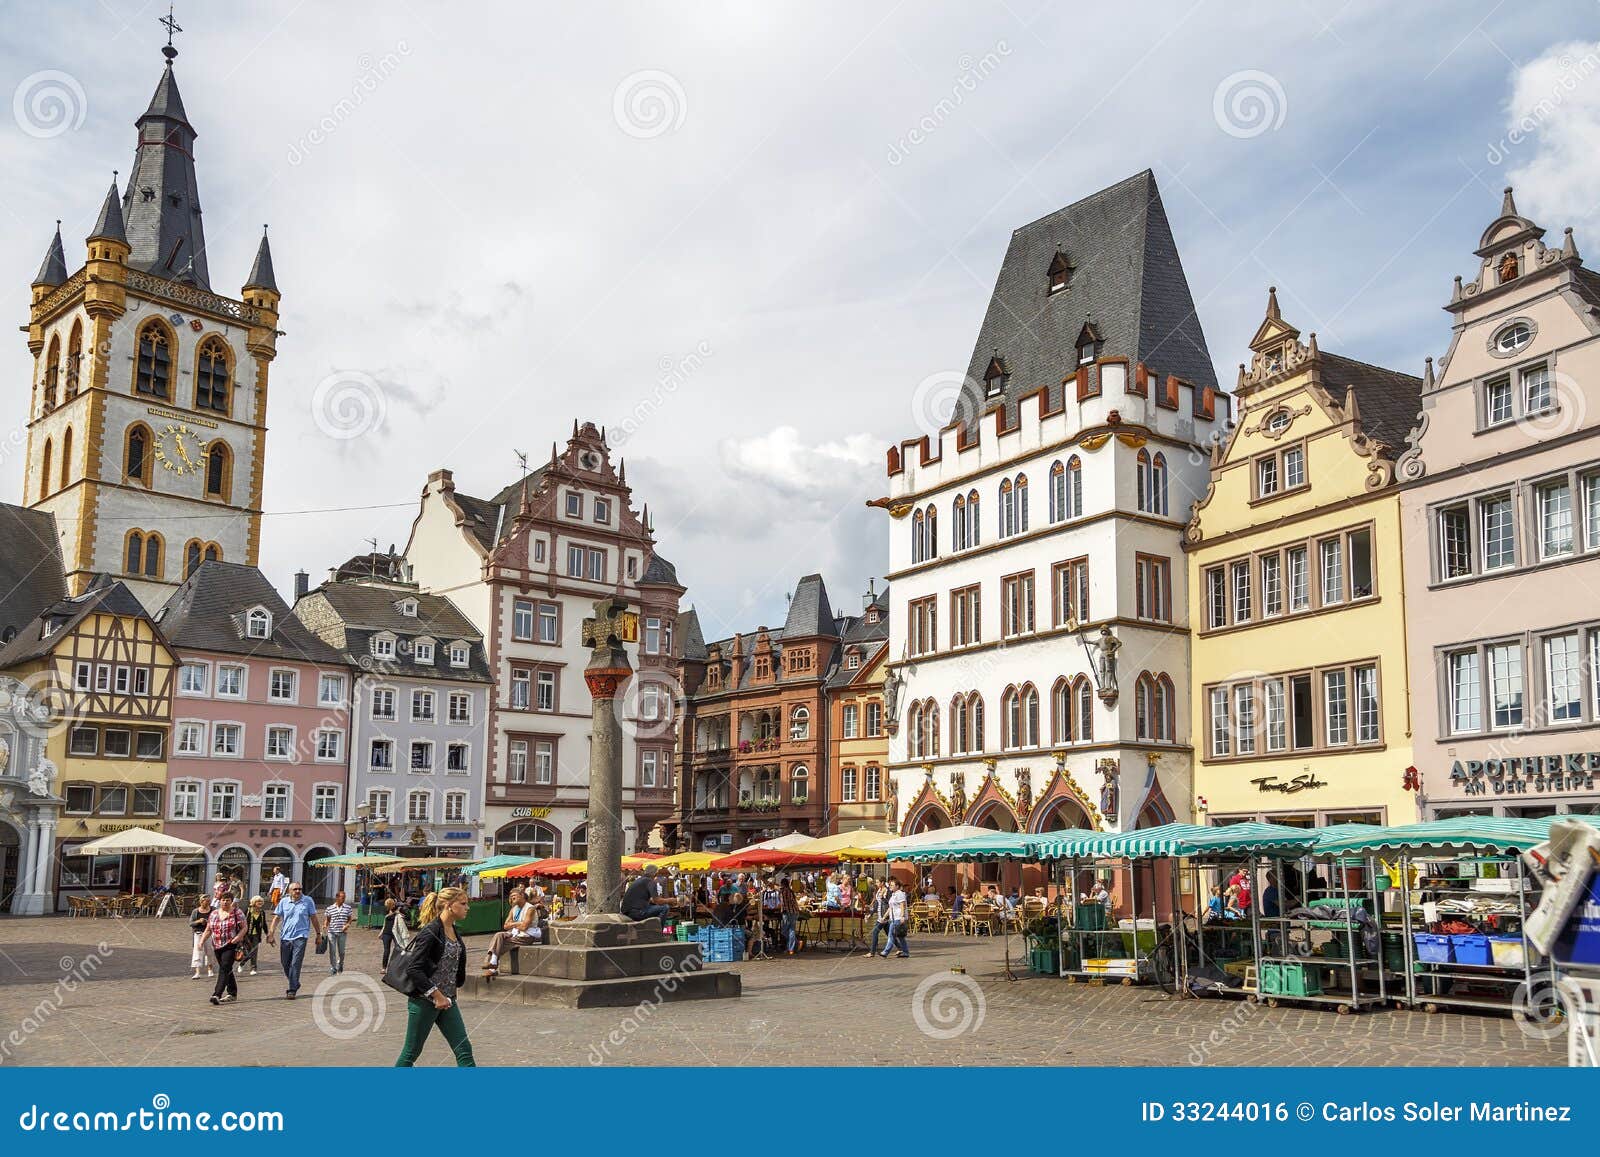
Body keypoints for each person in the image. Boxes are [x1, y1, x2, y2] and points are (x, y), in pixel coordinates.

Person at [394, 888, 476, 1067]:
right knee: (411, 1053)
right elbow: (414, 969)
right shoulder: (430, 932)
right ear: (448, 905)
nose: (467, 908)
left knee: (464, 1050)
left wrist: (446, 996)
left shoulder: (454, 930)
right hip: (424, 1001)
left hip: (448, 1000)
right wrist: (436, 995)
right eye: (463, 904)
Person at [268, 881, 324, 1000]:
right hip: (285, 937)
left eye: (300, 889)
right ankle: (295, 982)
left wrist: (318, 934)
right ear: (289, 891)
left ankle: (292, 989)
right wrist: (271, 933)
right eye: (295, 889)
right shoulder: (284, 902)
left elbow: (313, 918)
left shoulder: (308, 901)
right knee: (285, 963)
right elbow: (276, 918)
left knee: (295, 963)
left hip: (301, 936)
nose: (298, 891)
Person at [483, 888, 540, 975]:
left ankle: (492, 966)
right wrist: (518, 924)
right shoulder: (514, 908)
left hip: (527, 936)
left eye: (514, 895)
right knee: (499, 935)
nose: (512, 897)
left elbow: (524, 927)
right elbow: (505, 926)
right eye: (511, 896)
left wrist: (513, 924)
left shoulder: (530, 908)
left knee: (501, 942)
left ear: (522, 895)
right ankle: (492, 962)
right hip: (515, 933)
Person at [205, 893, 247, 1006]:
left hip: (231, 944)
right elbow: (209, 929)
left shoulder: (237, 913)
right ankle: (232, 993)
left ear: (231, 901)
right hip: (217, 945)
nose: (225, 902)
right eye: (223, 900)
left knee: (224, 968)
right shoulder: (214, 913)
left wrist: (238, 937)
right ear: (219, 901)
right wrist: (201, 941)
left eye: (227, 900)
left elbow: (244, 927)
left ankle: (216, 994)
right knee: (226, 968)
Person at [324, 890, 354, 975]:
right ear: (337, 898)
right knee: (332, 951)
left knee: (342, 952)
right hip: (332, 932)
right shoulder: (330, 908)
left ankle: (340, 963)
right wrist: (325, 925)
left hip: (342, 932)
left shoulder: (348, 908)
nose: (344, 899)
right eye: (342, 898)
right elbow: (327, 919)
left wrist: (347, 925)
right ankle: (333, 967)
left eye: (344, 898)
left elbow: (350, 919)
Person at [240, 895, 268, 976]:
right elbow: (241, 922)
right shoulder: (247, 910)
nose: (260, 903)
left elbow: (264, 924)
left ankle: (253, 968)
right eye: (258, 901)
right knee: (247, 952)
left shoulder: (262, 912)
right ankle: (242, 963)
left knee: (254, 951)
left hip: (256, 935)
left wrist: (267, 934)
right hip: (246, 934)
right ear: (254, 902)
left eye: (261, 901)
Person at [881, 879, 910, 958]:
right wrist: (884, 917)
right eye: (890, 885)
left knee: (891, 935)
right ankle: (905, 952)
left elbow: (902, 905)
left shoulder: (900, 894)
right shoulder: (893, 894)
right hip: (893, 918)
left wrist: (902, 916)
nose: (890, 886)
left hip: (898, 918)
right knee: (900, 936)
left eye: (892, 885)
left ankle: (885, 952)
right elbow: (890, 908)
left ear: (897, 886)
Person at [189, 895, 215, 980]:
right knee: (197, 952)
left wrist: (208, 922)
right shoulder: (195, 911)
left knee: (210, 951)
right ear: (201, 902)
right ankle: (197, 972)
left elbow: (217, 920)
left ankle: (210, 969)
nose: (208, 903)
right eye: (206, 901)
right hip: (198, 933)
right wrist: (199, 921)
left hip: (209, 934)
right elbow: (191, 923)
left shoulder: (213, 910)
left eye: (209, 901)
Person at [866, 878, 893, 956]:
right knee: (889, 934)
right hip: (880, 915)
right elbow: (877, 904)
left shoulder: (887, 891)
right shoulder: (878, 891)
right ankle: (900, 948)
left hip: (884, 915)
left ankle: (872, 952)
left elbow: (889, 904)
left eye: (878, 882)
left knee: (875, 932)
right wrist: (870, 914)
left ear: (882, 882)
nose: (876, 883)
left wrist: (883, 898)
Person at [779, 878, 801, 955]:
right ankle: (796, 944)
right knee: (789, 930)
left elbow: (786, 902)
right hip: (793, 912)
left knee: (788, 930)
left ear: (783, 884)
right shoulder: (789, 891)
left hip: (789, 912)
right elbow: (794, 902)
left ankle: (791, 948)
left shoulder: (784, 891)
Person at [380, 899, 403, 968]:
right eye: (392, 904)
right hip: (386, 933)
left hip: (395, 933)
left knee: (398, 948)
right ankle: (384, 967)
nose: (393, 905)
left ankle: (394, 966)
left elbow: (403, 916)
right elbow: (386, 919)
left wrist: (398, 912)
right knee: (386, 951)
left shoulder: (397, 910)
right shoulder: (386, 911)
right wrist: (381, 932)